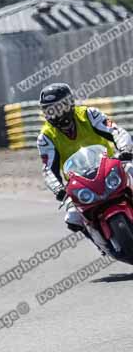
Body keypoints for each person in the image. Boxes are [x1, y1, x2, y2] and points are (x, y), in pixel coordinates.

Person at [37, 83, 133, 248]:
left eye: (59, 108)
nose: (55, 115)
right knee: (72, 217)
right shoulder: (45, 137)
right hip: (79, 181)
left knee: (131, 169)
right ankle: (101, 244)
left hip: (110, 167)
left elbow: (116, 131)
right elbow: (48, 169)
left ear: (70, 104)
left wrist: (124, 149)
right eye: (49, 110)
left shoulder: (90, 114)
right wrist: (58, 189)